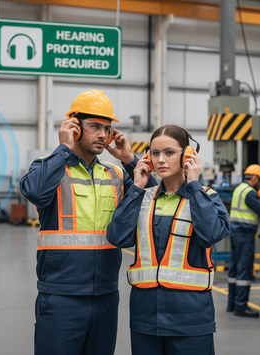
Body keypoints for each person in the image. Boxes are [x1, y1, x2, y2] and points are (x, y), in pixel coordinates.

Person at [20, 90, 156, 355]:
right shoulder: (50, 168)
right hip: (61, 296)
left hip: (106, 294)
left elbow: (155, 200)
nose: (103, 135)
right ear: (74, 127)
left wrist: (129, 159)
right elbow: (34, 191)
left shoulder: (116, 173)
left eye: (107, 128)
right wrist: (63, 148)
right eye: (95, 126)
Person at [106, 125, 231, 355]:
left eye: (169, 152)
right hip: (145, 319)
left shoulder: (207, 197)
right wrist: (136, 187)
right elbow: (117, 237)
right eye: (155, 153)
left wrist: (194, 185)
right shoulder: (142, 197)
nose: (161, 160)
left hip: (191, 320)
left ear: (187, 155)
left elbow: (211, 234)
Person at [227, 164, 260, 318]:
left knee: (235, 268)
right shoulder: (249, 193)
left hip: (236, 232)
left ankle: (232, 303)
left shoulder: (239, 188)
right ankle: (241, 306)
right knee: (244, 269)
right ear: (255, 178)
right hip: (245, 234)